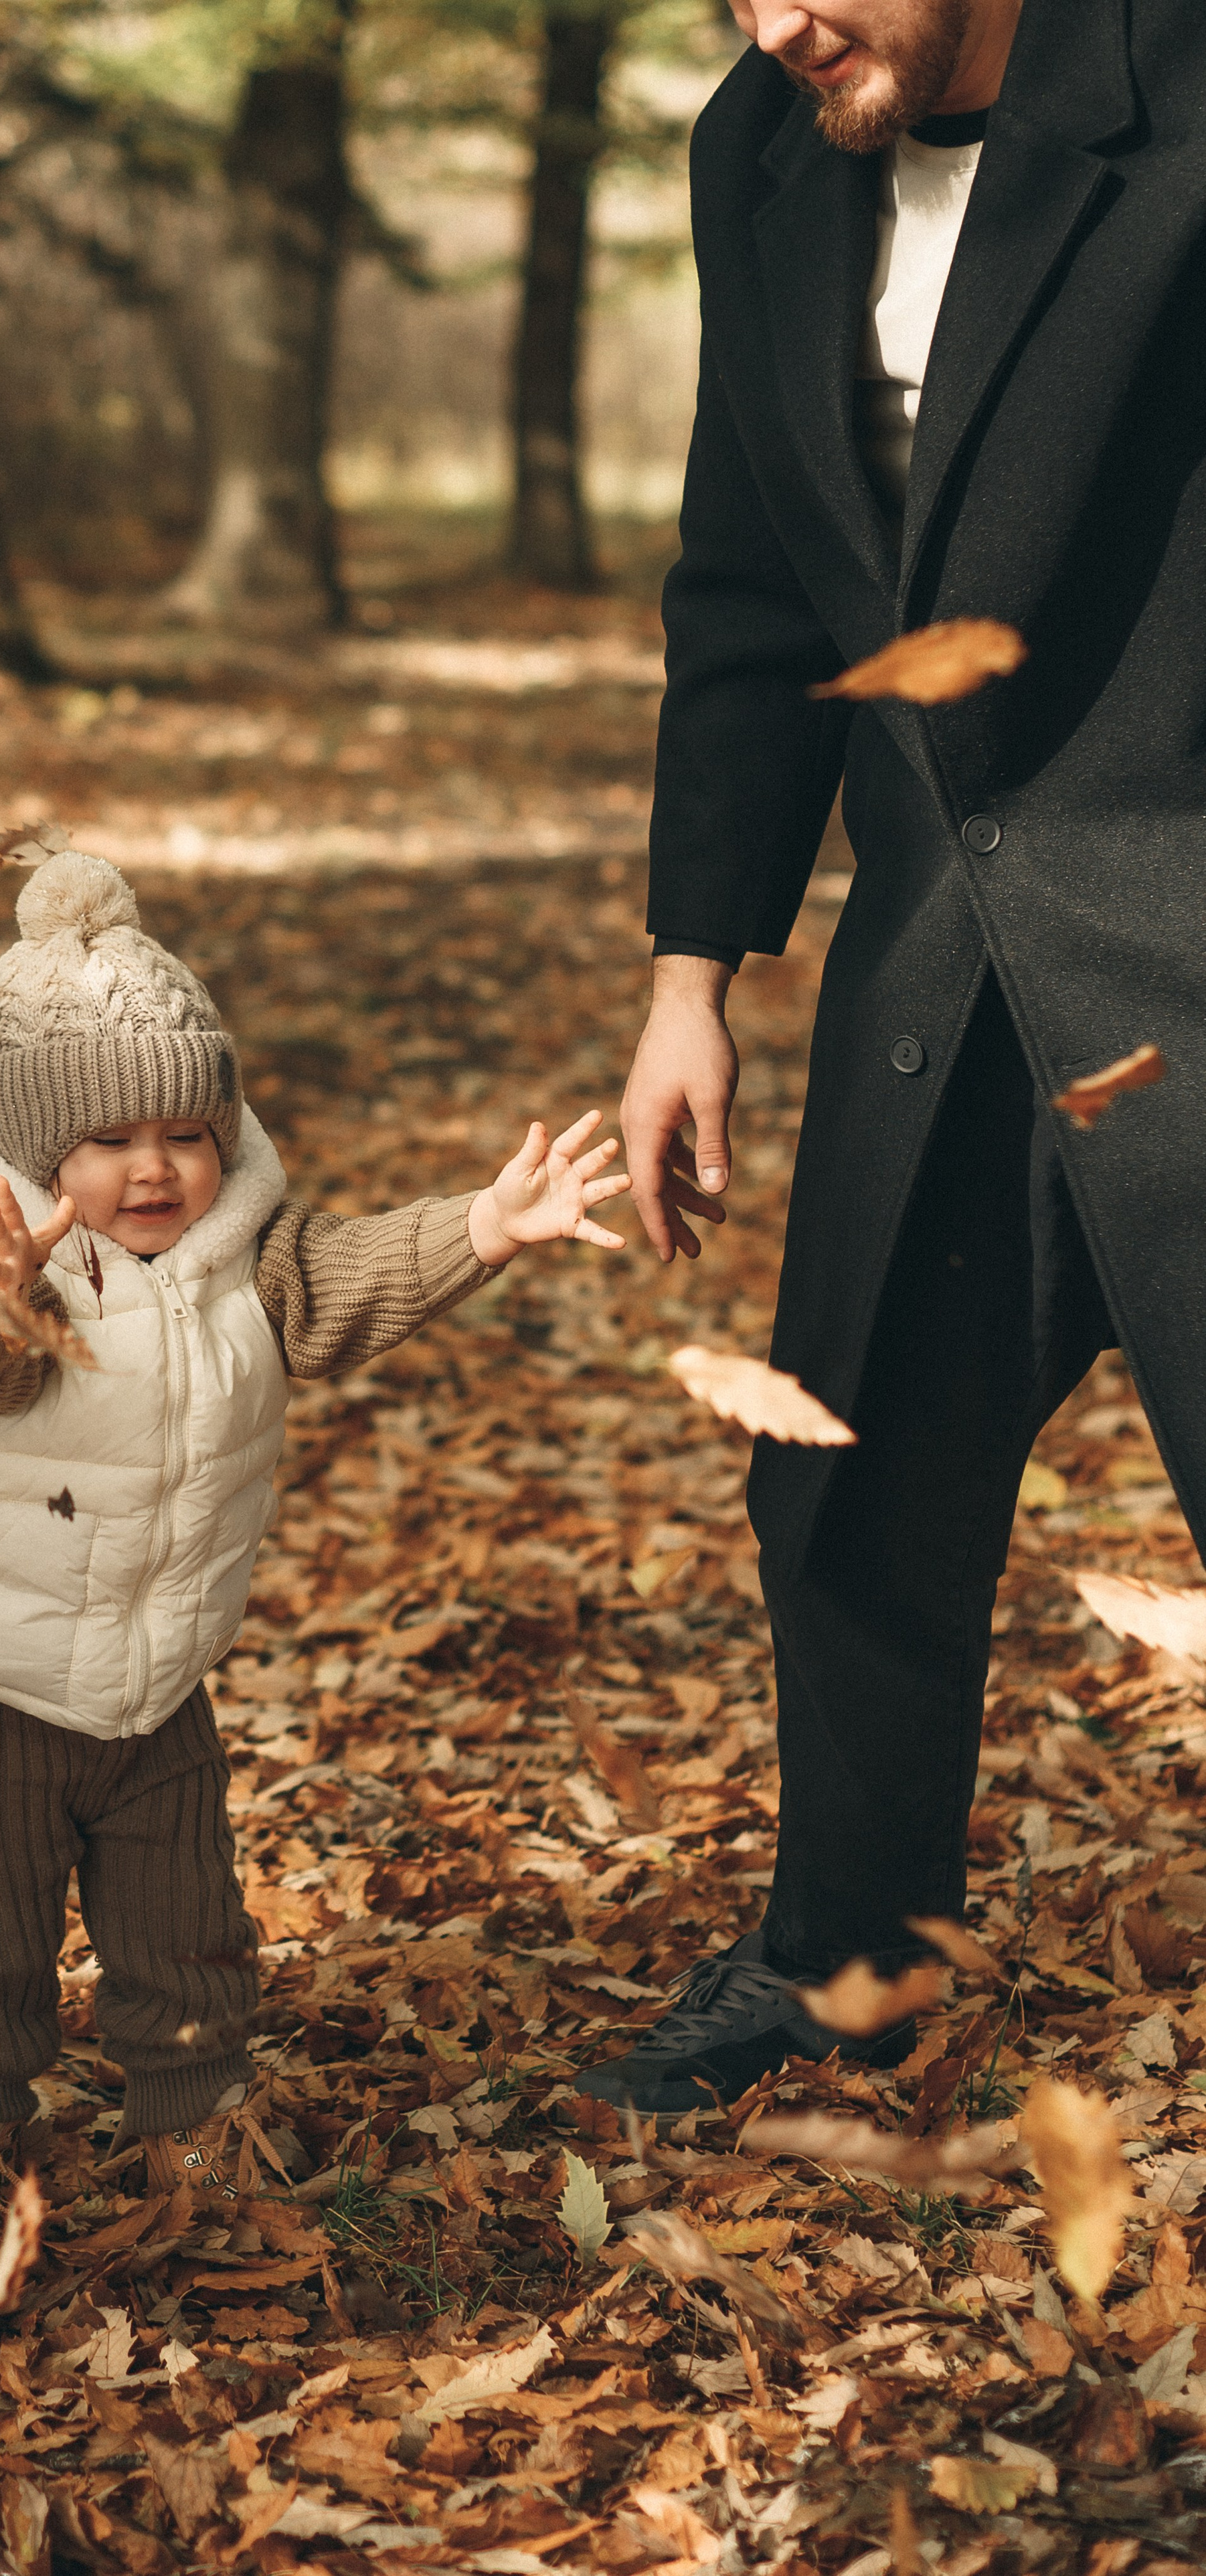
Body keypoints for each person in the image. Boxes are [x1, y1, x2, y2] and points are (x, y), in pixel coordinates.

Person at [581, 0, 1206, 2124]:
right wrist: (695, 977)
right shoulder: (749, 154)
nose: (778, 21)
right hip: (946, 930)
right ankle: (843, 1963)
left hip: (1195, 926)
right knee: (847, 1472)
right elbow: (748, 585)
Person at [0, 835, 630, 2282]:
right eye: (107, 1139)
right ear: (33, 1147)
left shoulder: (237, 1252)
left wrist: (484, 1227)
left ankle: (195, 2125)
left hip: (154, 1685)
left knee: (187, 1926)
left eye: (184, 1133)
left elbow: (340, 1283)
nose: (154, 1167)